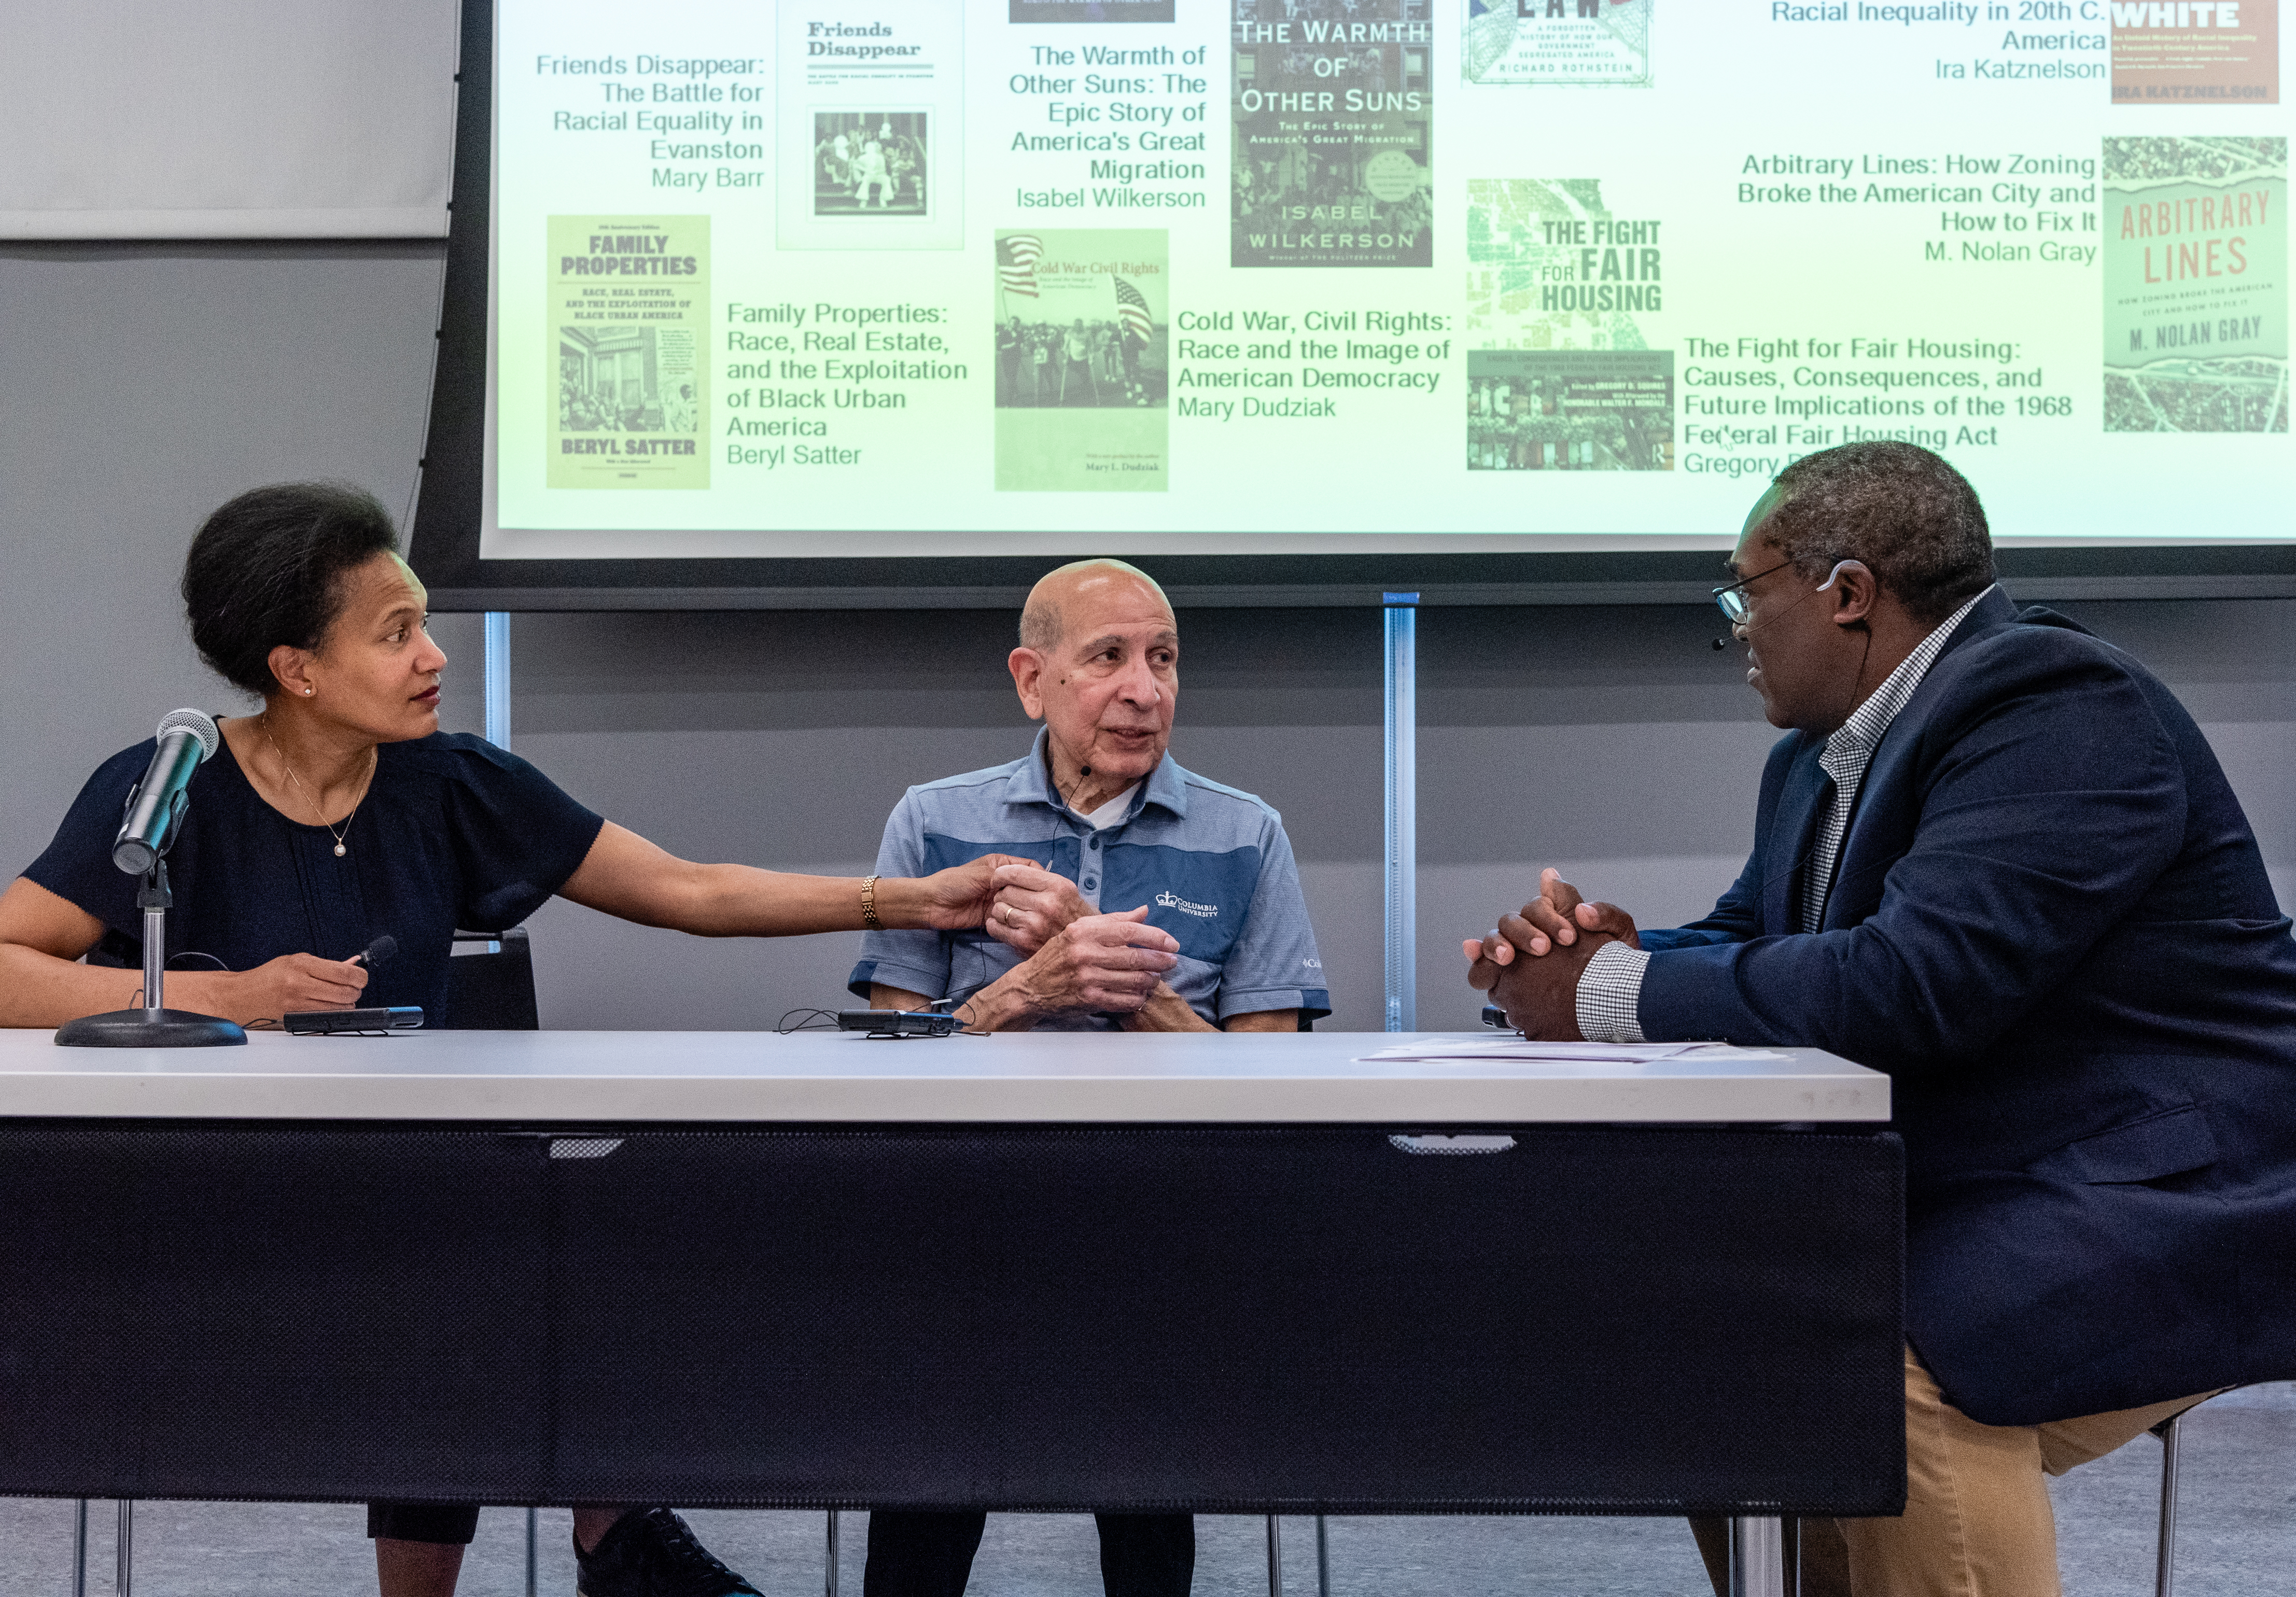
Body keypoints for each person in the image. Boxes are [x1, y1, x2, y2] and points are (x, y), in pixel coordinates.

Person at [0, 482, 1020, 1597]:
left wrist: (914, 901)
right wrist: (231, 998)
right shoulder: (171, 788)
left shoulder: (451, 781)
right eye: (397, 635)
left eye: (426, 622)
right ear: (297, 668)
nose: (435, 656)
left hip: (412, 1188)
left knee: (528, 1241)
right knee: (472, 1270)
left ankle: (603, 1519)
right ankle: (613, 1531)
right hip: (222, 1196)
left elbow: (687, 889)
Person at [1462, 441, 2296, 1597]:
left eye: (1746, 593)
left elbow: (1918, 985)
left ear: (1848, 594)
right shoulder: (1820, 757)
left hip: (2220, 1186)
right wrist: (1604, 959)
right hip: (2038, 1172)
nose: (1735, 628)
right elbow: (1763, 938)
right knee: (1725, 1329)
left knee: (1885, 1357)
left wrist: (1602, 997)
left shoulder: (2057, 706)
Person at [851, 557, 1329, 1597]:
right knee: (928, 1490)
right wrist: (1022, 991)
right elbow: (890, 1069)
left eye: (1162, 659)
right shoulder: (936, 827)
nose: (1145, 689)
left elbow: (1275, 1093)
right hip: (970, 1212)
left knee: (1149, 1498)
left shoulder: (1246, 835)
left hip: (1160, 1217)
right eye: (1108, 656)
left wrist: (1134, 998)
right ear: (1034, 680)